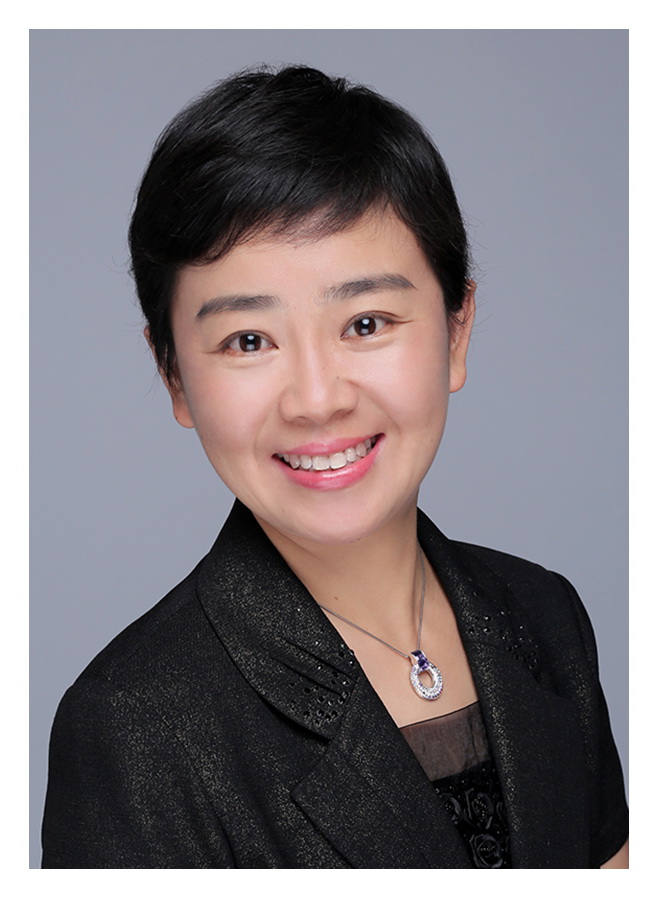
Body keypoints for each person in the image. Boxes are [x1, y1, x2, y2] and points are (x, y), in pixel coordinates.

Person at [41, 64, 628, 869]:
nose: (317, 400)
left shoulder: (545, 615)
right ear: (174, 374)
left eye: (366, 323)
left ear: (457, 330)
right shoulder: (130, 723)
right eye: (249, 340)